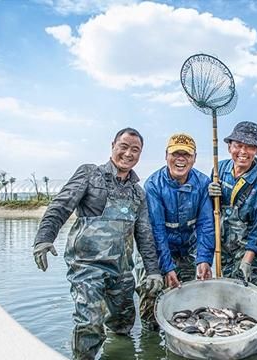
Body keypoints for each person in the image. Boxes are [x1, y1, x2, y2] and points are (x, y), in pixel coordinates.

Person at [32, 128, 163, 360]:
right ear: (113, 145)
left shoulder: (138, 193)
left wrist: (152, 271)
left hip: (122, 271)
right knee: (90, 323)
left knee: (123, 326)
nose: (128, 153)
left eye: (135, 150)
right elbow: (60, 206)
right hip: (86, 267)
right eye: (124, 146)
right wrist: (44, 238)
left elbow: (144, 235)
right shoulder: (90, 174)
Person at [137, 133, 215, 329]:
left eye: (186, 155)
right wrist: (167, 267)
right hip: (157, 250)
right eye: (175, 153)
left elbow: (206, 225)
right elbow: (156, 231)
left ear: (194, 158)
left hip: (187, 248)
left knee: (189, 304)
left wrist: (204, 259)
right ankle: (150, 337)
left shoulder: (203, 183)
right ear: (166, 156)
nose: (181, 159)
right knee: (151, 298)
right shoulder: (153, 185)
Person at [208, 121, 257, 287]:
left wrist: (247, 260)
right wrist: (209, 193)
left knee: (243, 299)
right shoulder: (219, 169)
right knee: (222, 295)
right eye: (238, 145)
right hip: (222, 250)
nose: (243, 152)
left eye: (250, 147)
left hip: (250, 251)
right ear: (229, 147)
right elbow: (210, 212)